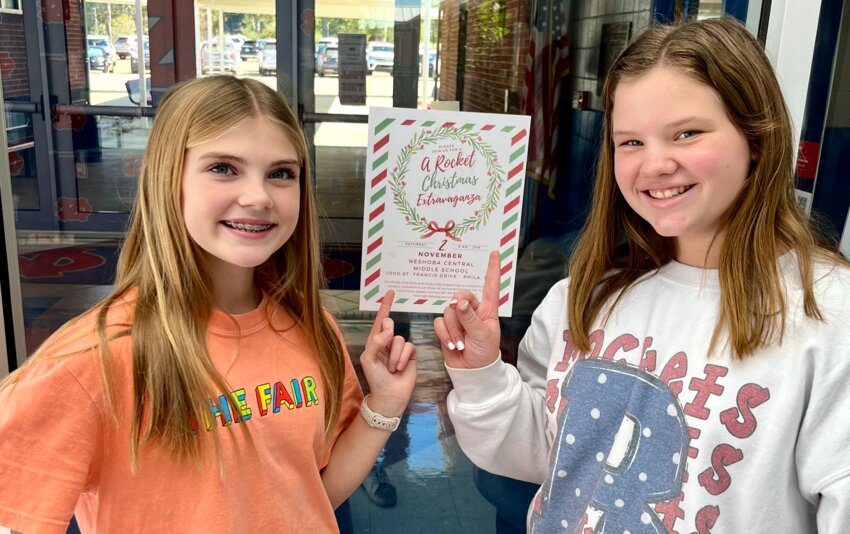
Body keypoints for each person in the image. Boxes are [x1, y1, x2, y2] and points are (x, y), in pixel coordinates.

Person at [434, 17, 850, 533]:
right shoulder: (585, 295)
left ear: (757, 140)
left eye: (687, 133)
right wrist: (480, 372)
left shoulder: (829, 315)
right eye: (630, 142)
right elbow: (551, 451)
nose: (654, 164)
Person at [0, 75, 417, 533]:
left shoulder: (309, 324)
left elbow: (313, 494)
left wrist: (387, 402)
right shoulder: (89, 359)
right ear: (168, 179)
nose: (258, 196)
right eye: (223, 167)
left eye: (281, 173)